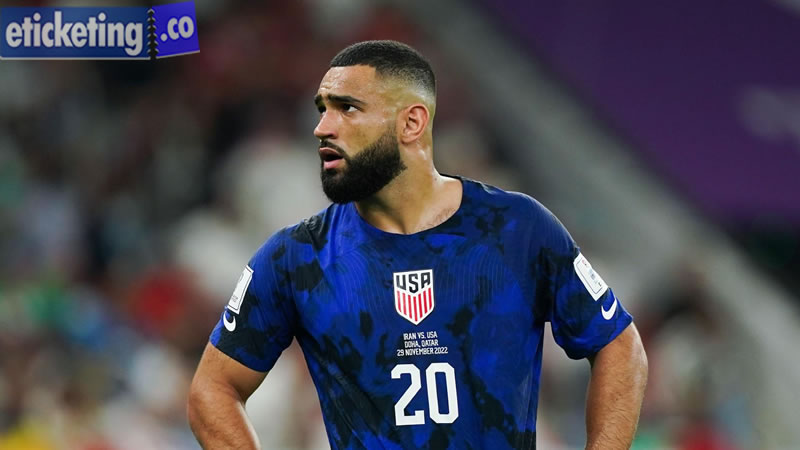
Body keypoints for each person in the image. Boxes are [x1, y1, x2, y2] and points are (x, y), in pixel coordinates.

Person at [187, 40, 648, 450]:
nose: (322, 127)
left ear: (411, 122)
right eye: (322, 108)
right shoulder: (296, 257)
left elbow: (619, 346)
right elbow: (213, 389)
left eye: (347, 108)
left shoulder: (517, 229)